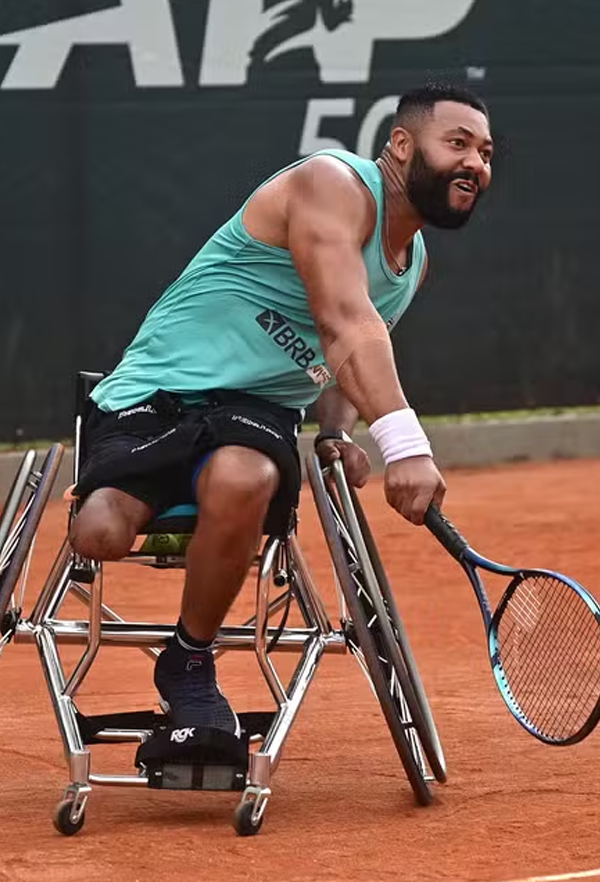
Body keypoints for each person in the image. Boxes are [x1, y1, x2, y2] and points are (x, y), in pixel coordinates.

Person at [69, 82, 494, 739]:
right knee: (99, 534)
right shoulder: (332, 183)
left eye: (487, 153)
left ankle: (188, 662)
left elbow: (343, 356)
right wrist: (406, 445)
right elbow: (344, 321)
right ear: (402, 145)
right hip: (154, 391)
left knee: (245, 477)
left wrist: (335, 431)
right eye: (458, 143)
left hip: (253, 414)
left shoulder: (413, 264)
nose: (475, 163)